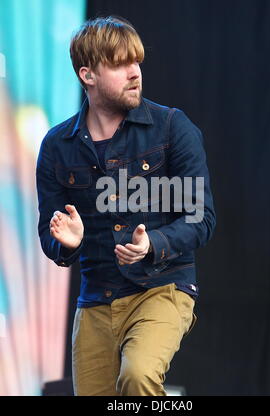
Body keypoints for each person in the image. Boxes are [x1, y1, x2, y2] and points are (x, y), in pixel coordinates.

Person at [36, 16, 216, 396]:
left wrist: (153, 243)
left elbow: (201, 218)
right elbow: (48, 233)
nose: (135, 72)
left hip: (162, 287)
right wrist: (65, 243)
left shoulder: (171, 127)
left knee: (137, 376)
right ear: (88, 75)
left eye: (136, 62)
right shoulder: (57, 145)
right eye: (120, 64)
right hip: (97, 298)